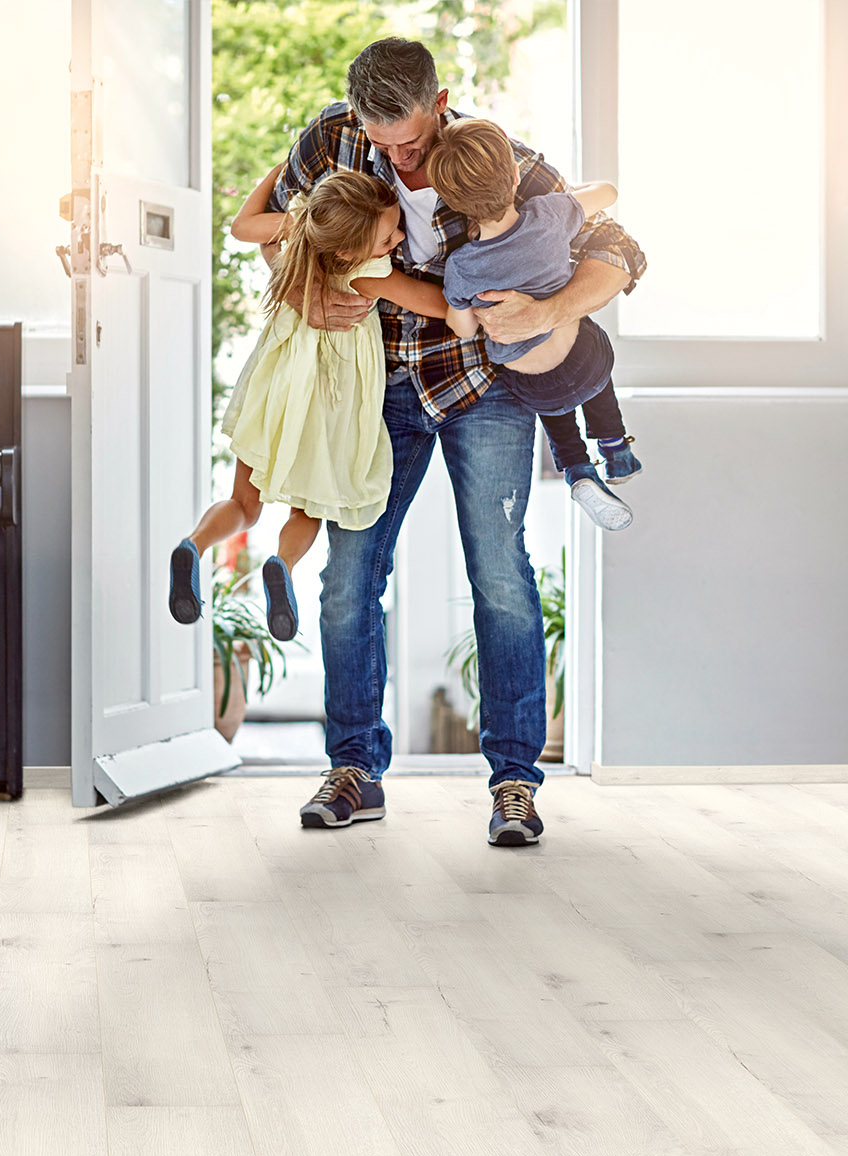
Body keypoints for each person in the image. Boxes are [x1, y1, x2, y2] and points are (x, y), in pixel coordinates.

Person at [260, 37, 646, 844]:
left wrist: (549, 311)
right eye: (383, 143)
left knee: (501, 576)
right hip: (378, 386)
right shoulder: (331, 140)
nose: (400, 160)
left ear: (442, 104)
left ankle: (514, 782)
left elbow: (620, 250)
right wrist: (304, 293)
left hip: (486, 387)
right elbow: (280, 234)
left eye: (411, 140)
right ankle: (355, 767)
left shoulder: (494, 159)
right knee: (349, 573)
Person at [168, 166, 472, 642]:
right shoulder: (368, 273)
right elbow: (429, 301)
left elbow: (242, 226)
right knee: (306, 510)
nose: (397, 238)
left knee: (244, 505)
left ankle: (194, 544)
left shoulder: (302, 225)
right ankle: (282, 564)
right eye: (388, 234)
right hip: (323, 404)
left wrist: (276, 172)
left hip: (273, 392)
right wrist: (477, 296)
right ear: (350, 250)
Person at [426, 117, 643, 532]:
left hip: (534, 388)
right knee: (588, 347)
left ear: (452, 203)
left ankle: (577, 468)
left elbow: (464, 330)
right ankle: (615, 448)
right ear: (513, 176)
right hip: (585, 365)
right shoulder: (549, 214)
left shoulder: (462, 267)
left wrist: (465, 305)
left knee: (547, 398)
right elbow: (608, 193)